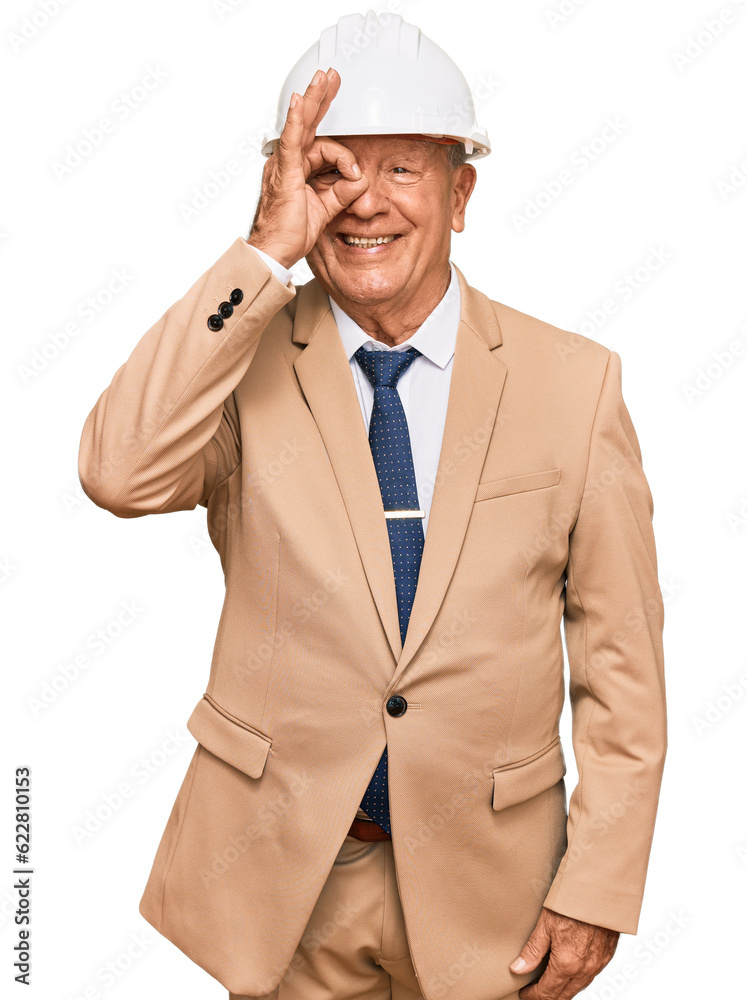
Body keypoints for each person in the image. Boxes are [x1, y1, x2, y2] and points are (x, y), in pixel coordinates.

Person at [77, 12, 667, 1000]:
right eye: (336, 170)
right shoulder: (237, 369)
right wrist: (263, 254)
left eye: (402, 170)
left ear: (461, 191)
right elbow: (117, 470)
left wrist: (600, 880)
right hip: (286, 884)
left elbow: (622, 665)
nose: (364, 204)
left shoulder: (575, 385)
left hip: (497, 892)